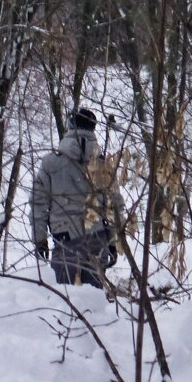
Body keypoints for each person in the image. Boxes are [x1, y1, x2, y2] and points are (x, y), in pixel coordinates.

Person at [31, 107, 125, 289]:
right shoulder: (103, 163)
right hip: (98, 236)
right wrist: (113, 241)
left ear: (69, 126)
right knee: (94, 303)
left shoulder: (51, 161)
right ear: (93, 128)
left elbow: (38, 203)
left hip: (65, 237)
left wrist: (40, 239)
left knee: (65, 301)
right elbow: (115, 204)